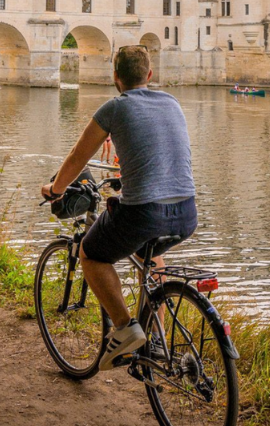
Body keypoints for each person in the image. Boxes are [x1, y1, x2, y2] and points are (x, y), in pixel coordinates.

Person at [41, 46, 197, 372]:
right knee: (150, 255)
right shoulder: (172, 103)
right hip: (186, 212)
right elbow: (162, 156)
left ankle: (126, 328)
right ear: (150, 75)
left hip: (145, 212)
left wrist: (55, 189)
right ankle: (157, 339)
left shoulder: (114, 107)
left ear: (115, 77)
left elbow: (77, 159)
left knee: (91, 253)